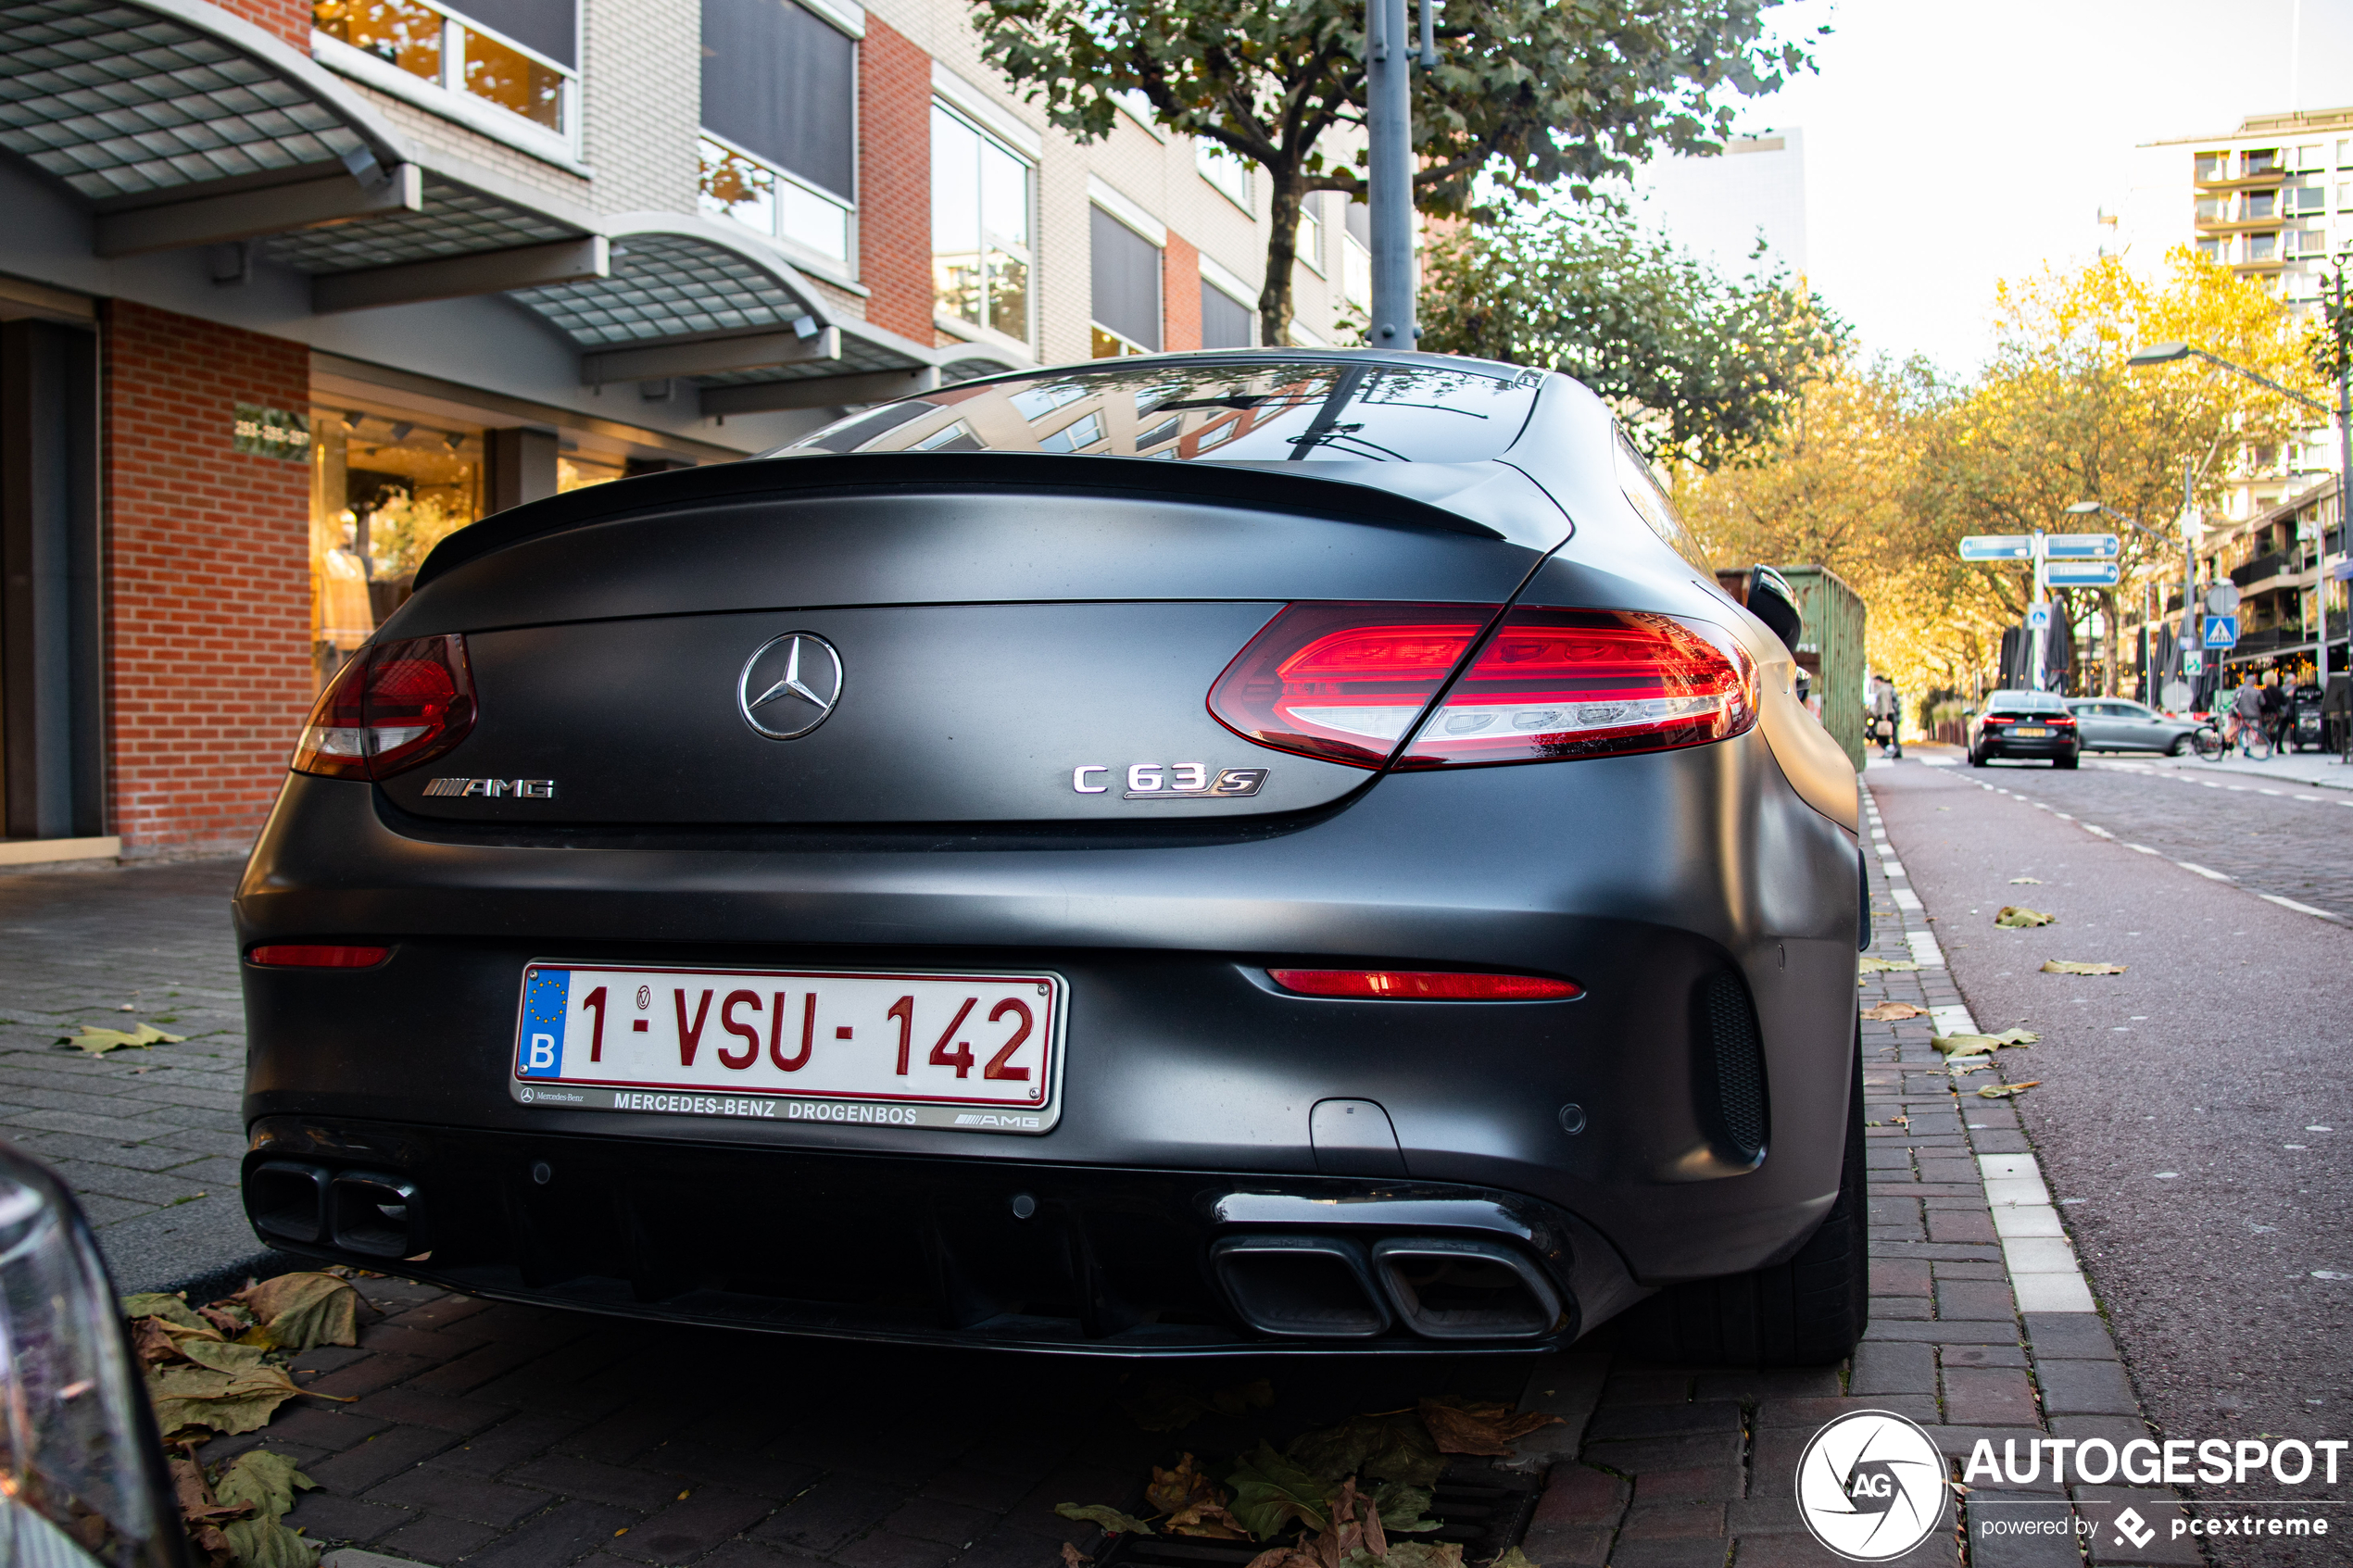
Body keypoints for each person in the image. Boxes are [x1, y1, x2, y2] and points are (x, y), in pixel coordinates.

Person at [2231, 671, 2265, 756]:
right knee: (2253, 731)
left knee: (2243, 731)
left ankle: (2245, 746)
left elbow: (2234, 703)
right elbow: (2263, 702)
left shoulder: (2239, 689)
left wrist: (2233, 715)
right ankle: (2250, 746)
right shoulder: (2257, 691)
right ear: (2254, 682)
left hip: (2242, 715)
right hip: (2255, 715)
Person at [1869, 673, 1902, 759]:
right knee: (1892, 733)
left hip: (1885, 714)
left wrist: (1884, 715)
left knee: (1880, 733)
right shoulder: (1887, 689)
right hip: (1889, 713)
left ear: (1878, 680)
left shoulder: (1883, 690)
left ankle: (1890, 749)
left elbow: (1884, 703)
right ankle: (1895, 750)